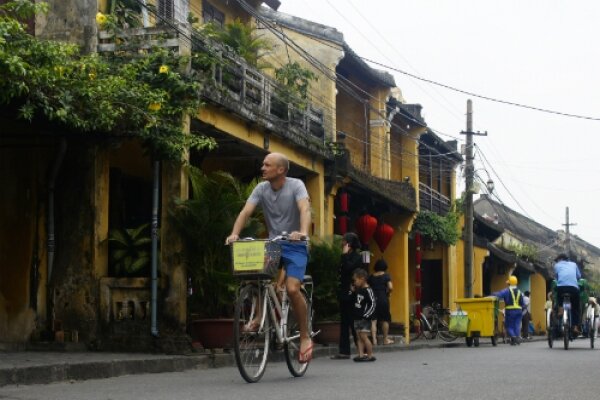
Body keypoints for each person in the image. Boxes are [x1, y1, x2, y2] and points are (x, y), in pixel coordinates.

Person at [226, 152, 313, 363]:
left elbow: (305, 208)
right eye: (263, 165)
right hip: (273, 244)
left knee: (292, 288)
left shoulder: (296, 185)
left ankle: (304, 337)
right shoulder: (261, 188)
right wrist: (235, 233)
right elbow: (246, 212)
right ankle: (258, 317)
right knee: (253, 276)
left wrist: (302, 231)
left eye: (267, 165)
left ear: (281, 170)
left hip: (295, 244)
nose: (262, 168)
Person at [330, 232, 364, 360]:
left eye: (344, 241)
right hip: (344, 291)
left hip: (352, 292)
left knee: (353, 322)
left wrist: (344, 255)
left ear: (349, 243)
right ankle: (344, 351)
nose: (342, 243)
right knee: (344, 322)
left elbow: (350, 269)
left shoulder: (356, 257)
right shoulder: (345, 256)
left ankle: (363, 350)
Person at [351, 268, 376, 361]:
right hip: (357, 317)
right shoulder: (358, 290)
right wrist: (352, 292)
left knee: (364, 337)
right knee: (358, 337)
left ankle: (370, 355)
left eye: (355, 280)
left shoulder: (368, 290)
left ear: (362, 279)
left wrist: (367, 315)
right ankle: (361, 355)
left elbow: (373, 303)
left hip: (364, 317)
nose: (354, 282)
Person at [554, 253, 582, 335]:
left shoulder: (557, 265)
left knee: (559, 296)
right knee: (575, 308)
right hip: (573, 288)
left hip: (561, 288)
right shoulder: (574, 264)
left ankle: (561, 309)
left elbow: (556, 277)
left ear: (560, 259)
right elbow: (579, 276)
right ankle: (575, 327)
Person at [492, 275, 524, 345]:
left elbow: (499, 295)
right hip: (519, 310)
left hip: (510, 311)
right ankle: (517, 338)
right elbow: (522, 303)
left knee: (508, 326)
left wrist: (492, 293)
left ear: (509, 283)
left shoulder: (507, 291)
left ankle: (513, 337)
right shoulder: (520, 292)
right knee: (517, 325)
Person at [368, 259, 394, 345]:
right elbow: (390, 287)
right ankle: (385, 339)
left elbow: (367, 288)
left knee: (373, 320)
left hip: (373, 299)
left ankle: (374, 340)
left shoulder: (371, 277)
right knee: (385, 320)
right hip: (383, 299)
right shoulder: (386, 276)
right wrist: (388, 293)